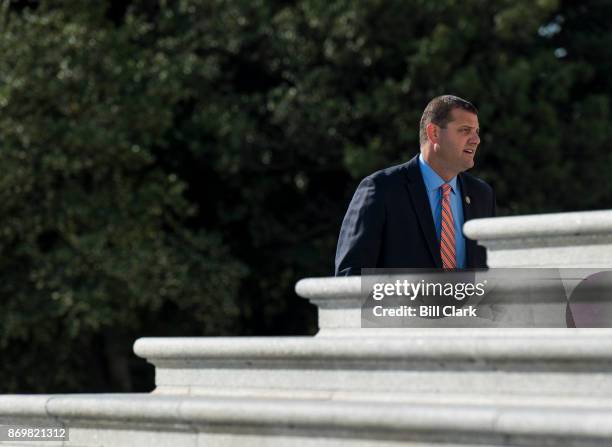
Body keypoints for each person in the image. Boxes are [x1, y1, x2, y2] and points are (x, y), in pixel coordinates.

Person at [335, 95, 496, 276]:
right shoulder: (382, 189)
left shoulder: (482, 195)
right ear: (434, 133)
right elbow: (351, 276)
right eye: (465, 130)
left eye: (477, 131)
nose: (476, 140)